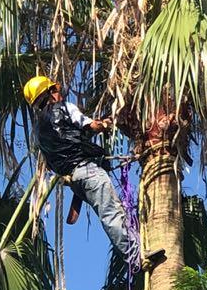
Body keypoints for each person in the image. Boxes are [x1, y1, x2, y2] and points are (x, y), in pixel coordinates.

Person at [22, 75, 164, 270]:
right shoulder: (64, 108)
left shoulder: (38, 131)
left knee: (110, 210)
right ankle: (136, 257)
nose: (59, 93)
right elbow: (91, 126)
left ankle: (136, 248)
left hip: (74, 180)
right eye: (56, 90)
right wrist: (106, 123)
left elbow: (61, 148)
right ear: (50, 93)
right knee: (111, 211)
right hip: (87, 171)